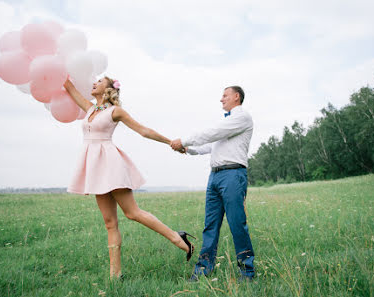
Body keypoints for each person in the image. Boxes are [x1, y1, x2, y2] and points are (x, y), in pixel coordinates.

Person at [64, 77, 194, 279]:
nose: (93, 83)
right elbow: (69, 87)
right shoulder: (89, 108)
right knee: (109, 223)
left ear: (108, 89)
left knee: (132, 213)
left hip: (111, 164)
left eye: (99, 81)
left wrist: (171, 142)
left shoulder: (115, 112)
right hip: (95, 168)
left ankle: (179, 239)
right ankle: (115, 275)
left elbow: (144, 131)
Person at [170, 86, 255, 282]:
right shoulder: (227, 122)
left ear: (236, 97)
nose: (221, 99)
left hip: (233, 175)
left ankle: (247, 271)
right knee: (210, 225)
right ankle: (203, 268)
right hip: (215, 177)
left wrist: (183, 139)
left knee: (237, 224)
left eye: (225, 95)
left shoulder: (241, 118)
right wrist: (187, 148)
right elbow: (209, 145)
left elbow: (212, 133)